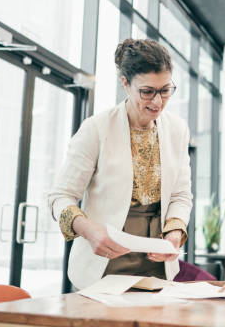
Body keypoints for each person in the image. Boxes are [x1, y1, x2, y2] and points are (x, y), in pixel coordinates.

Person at [47, 39, 193, 290]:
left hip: (157, 267)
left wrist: (175, 233)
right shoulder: (96, 129)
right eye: (147, 91)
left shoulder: (177, 130)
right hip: (102, 261)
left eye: (165, 90)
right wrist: (90, 232)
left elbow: (181, 195)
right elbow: (60, 198)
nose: (157, 102)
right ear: (125, 83)